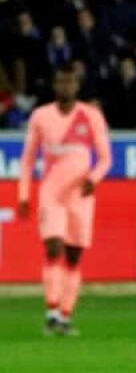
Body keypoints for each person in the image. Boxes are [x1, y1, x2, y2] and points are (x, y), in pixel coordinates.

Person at [18, 66, 112, 336]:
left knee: (73, 255)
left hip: (80, 195)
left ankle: (65, 315)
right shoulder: (41, 116)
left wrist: (93, 178)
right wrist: (24, 194)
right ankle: (51, 311)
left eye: (69, 82)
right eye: (60, 82)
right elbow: (28, 159)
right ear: (54, 85)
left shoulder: (91, 115)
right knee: (53, 248)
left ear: (77, 86)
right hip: (51, 192)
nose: (65, 87)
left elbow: (106, 158)